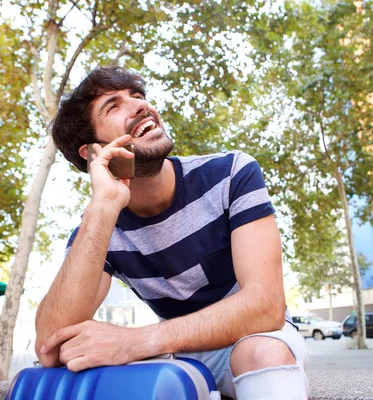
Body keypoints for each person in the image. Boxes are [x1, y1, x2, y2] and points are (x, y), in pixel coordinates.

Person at [35, 66, 309, 399]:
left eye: (137, 96)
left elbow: (265, 307)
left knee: (261, 352)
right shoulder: (98, 228)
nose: (139, 105)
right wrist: (103, 207)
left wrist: (133, 342)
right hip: (177, 352)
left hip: (253, 337)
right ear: (93, 153)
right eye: (114, 106)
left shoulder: (231, 174)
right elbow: (50, 346)